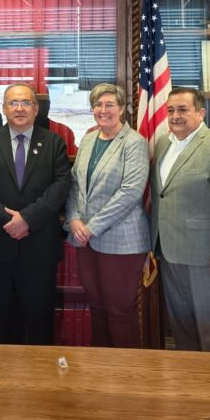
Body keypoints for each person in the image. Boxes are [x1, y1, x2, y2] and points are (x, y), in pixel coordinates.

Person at [0, 83, 71, 344]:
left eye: (25, 102)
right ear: (3, 108)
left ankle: (40, 379)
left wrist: (27, 220)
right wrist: (9, 221)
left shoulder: (54, 143)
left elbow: (60, 187)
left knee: (39, 322)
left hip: (39, 248)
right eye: (13, 103)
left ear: (36, 108)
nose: (19, 108)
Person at [150, 86, 210, 352]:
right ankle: (189, 386)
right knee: (182, 327)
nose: (175, 116)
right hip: (170, 252)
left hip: (207, 256)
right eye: (170, 110)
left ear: (201, 113)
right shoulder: (163, 144)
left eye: (183, 110)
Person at [64, 83, 149, 347]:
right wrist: (75, 219)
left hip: (121, 242)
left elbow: (130, 192)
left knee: (119, 312)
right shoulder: (89, 139)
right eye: (98, 105)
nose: (103, 110)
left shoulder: (134, 142)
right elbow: (75, 184)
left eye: (110, 104)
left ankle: (127, 378)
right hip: (85, 239)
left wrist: (91, 227)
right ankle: (101, 374)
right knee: (97, 309)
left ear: (122, 109)